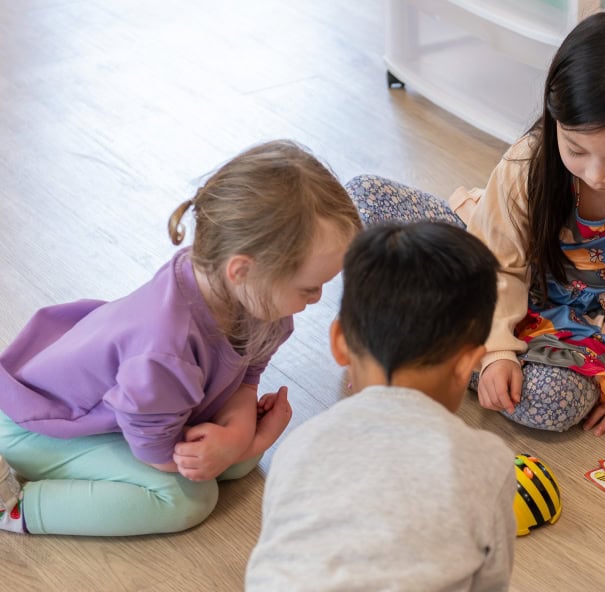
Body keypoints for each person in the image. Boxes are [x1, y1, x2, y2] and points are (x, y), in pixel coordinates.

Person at [345, 9, 605, 436]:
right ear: (554, 118)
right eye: (576, 148)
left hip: (584, 326)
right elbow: (495, 260)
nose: (596, 174)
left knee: (550, 404)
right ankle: (459, 346)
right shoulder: (530, 160)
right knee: (365, 198)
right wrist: (497, 353)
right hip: (493, 281)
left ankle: (439, 345)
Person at [194, 222, 516, 592]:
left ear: (340, 341)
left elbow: (279, 573)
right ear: (469, 361)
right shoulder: (486, 462)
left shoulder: (301, 443)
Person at [0, 140, 360, 536]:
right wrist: (249, 444)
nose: (318, 298)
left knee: (230, 458)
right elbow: (155, 453)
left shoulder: (258, 302)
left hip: (132, 406)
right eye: (309, 287)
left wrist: (236, 438)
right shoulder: (163, 351)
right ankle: (15, 509)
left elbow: (246, 380)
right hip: (36, 425)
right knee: (189, 499)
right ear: (242, 270)